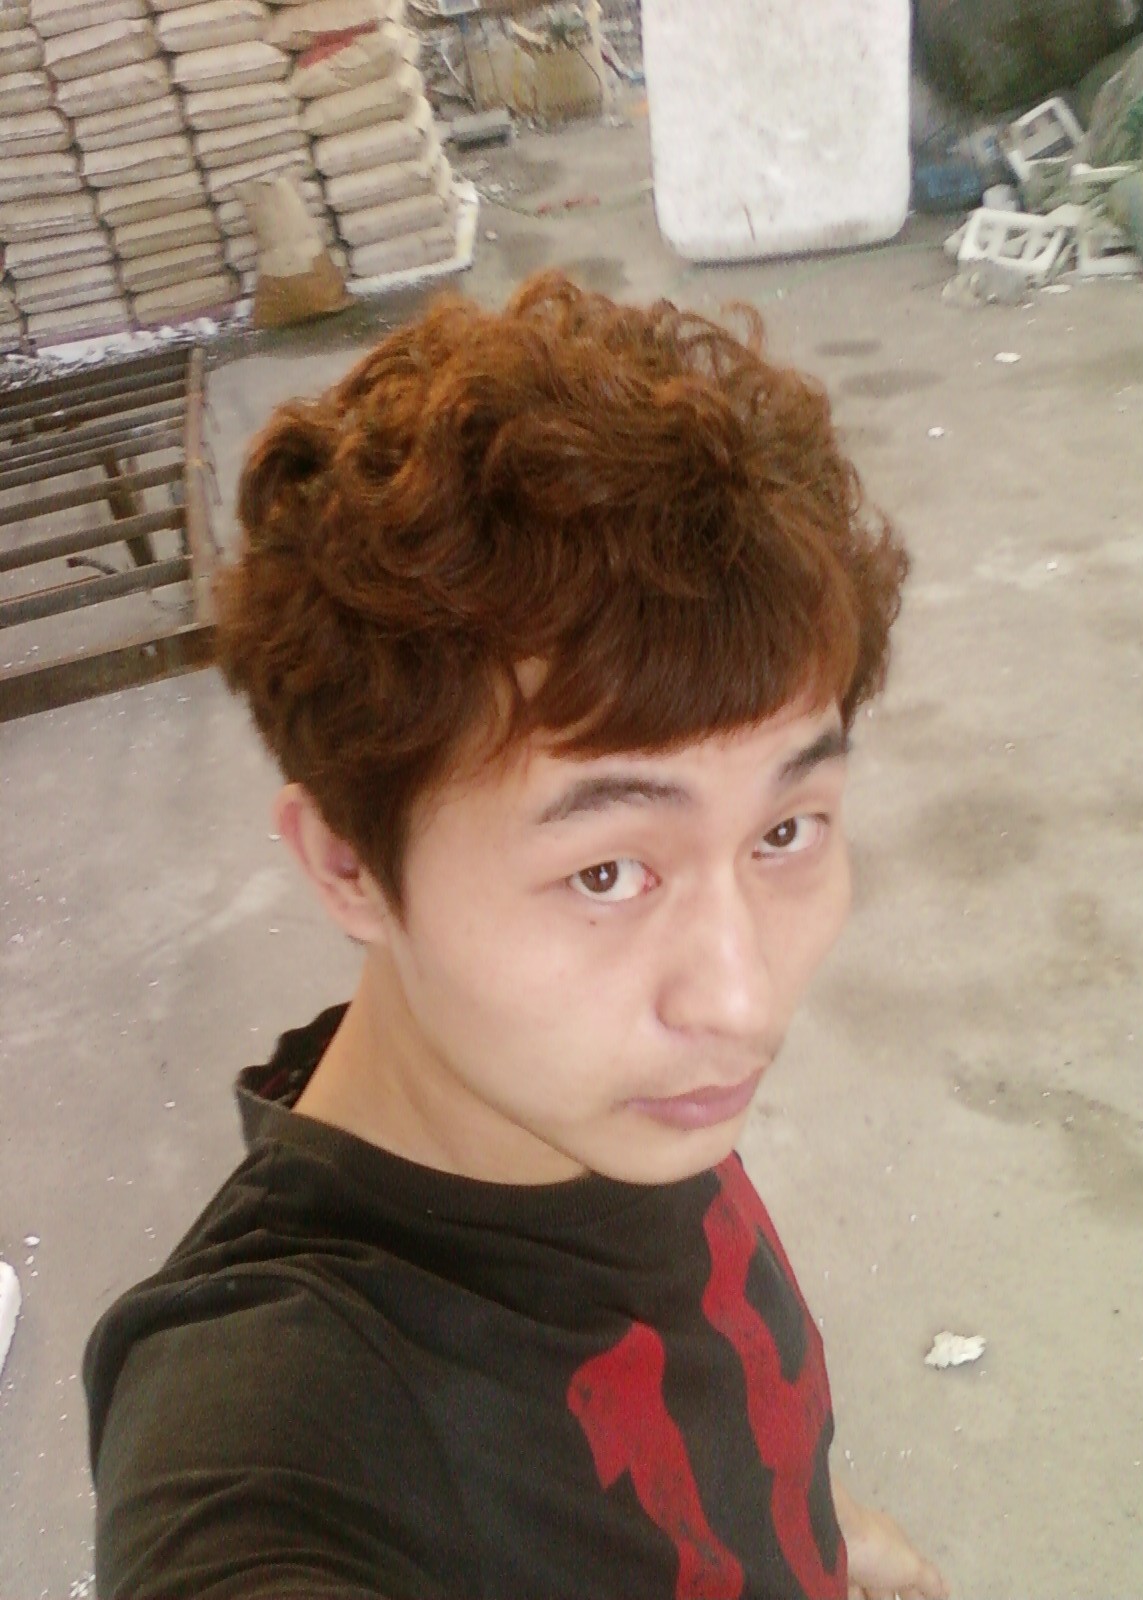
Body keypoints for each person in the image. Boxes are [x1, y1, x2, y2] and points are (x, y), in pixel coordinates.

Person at [84, 273, 949, 1600]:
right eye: (608, 870)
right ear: (348, 864)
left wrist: (823, 1530)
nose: (740, 1001)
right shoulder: (271, 1428)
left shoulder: (599, 1091)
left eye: (785, 830)